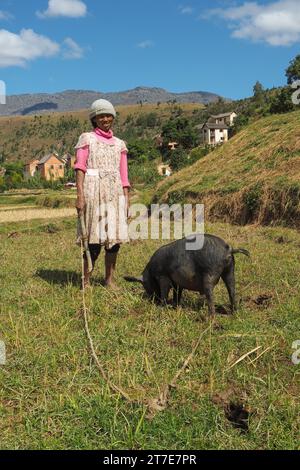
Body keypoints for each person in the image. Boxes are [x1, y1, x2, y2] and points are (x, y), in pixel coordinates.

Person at [74, 99, 130, 289]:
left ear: (113, 117)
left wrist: (126, 198)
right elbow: (80, 167)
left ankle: (109, 280)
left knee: (113, 240)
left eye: (108, 115)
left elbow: (124, 175)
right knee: (94, 239)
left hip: (114, 193)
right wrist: (80, 195)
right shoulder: (87, 139)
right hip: (93, 192)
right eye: (100, 116)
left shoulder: (120, 144)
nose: (105, 119)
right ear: (94, 119)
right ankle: (86, 280)